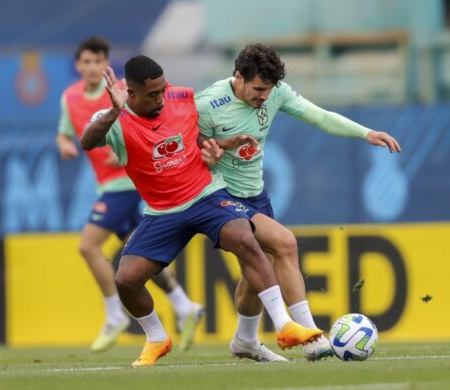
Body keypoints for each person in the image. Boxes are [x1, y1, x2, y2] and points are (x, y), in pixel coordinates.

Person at [80, 55, 324, 367]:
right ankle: (156, 337)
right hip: (162, 212)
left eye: (163, 89)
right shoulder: (115, 119)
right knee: (126, 280)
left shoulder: (181, 97)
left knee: (244, 237)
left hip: (205, 196)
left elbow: (196, 138)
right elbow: (88, 142)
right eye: (153, 95)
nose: (161, 98)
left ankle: (284, 325)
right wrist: (113, 112)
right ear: (132, 94)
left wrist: (223, 143)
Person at [196, 43, 401, 362]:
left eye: (269, 89)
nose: (264, 97)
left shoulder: (275, 92)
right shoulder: (208, 104)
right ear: (239, 76)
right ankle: (311, 337)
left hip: (256, 195)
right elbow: (183, 150)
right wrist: (206, 154)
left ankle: (244, 340)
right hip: (220, 197)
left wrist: (365, 133)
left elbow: (318, 116)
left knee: (256, 274)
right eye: (259, 89)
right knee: (285, 244)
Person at [56, 37, 204, 352]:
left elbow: (149, 124)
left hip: (124, 185)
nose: (93, 67)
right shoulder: (69, 98)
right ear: (78, 66)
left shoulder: (125, 91)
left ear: (107, 64)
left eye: (99, 61)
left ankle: (113, 315)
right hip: (108, 185)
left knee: (88, 246)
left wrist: (127, 149)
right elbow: (67, 134)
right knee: (139, 258)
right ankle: (183, 305)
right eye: (86, 62)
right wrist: (65, 146)